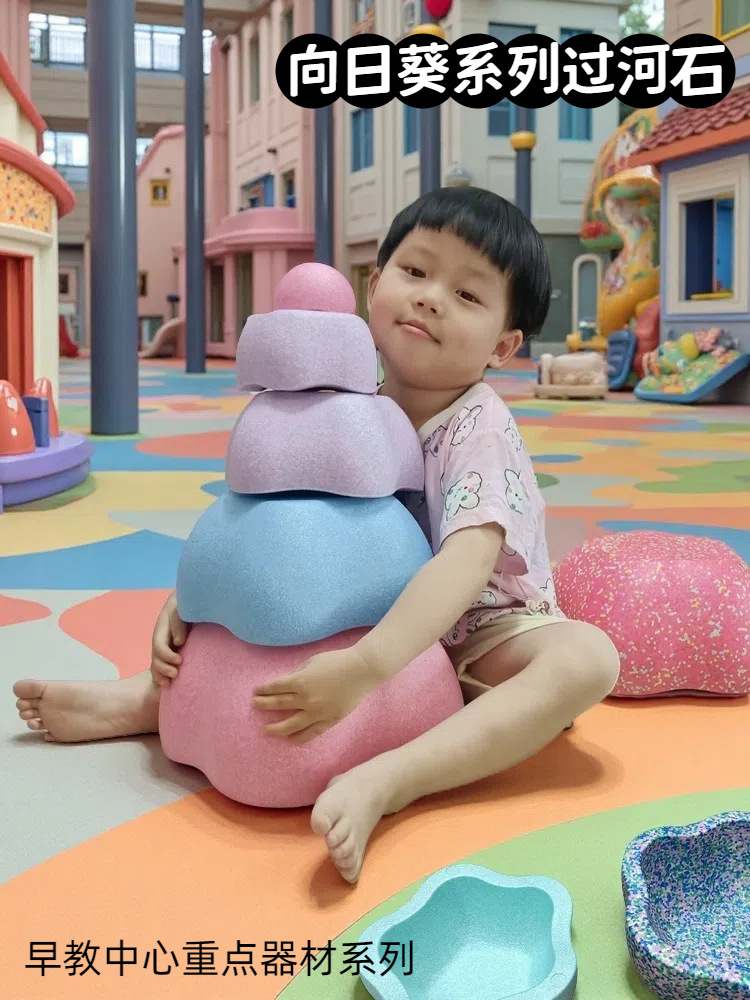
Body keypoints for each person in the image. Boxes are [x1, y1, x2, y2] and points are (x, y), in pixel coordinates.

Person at [13, 187, 619, 884]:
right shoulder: (348, 410)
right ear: (374, 286)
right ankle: (146, 701)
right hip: (367, 615)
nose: (430, 299)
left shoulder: (478, 425)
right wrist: (194, 604)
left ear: (503, 346)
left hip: (486, 633)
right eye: (416, 272)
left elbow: (467, 560)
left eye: (466, 294)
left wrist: (367, 668)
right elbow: (272, 524)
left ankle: (395, 778)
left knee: (587, 659)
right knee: (261, 639)